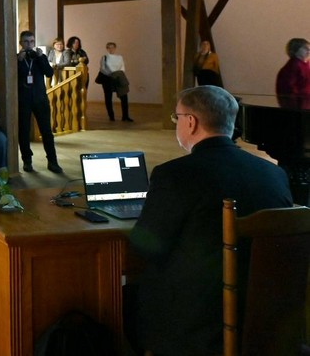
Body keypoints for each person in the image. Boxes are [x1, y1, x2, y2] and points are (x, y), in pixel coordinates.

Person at [127, 86, 292, 356]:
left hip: (200, 325)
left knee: (125, 299)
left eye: (177, 117)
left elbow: (146, 247)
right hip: (267, 316)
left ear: (191, 122)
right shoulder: (273, 173)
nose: (177, 123)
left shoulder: (175, 175)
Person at [17, 31, 63, 174]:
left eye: (31, 41)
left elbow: (49, 73)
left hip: (40, 99)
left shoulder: (40, 57)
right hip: (23, 100)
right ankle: (27, 161)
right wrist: (18, 61)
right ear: (21, 43)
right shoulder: (17, 59)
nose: (29, 44)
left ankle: (52, 161)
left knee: (46, 131)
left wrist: (41, 58)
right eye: (26, 42)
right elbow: (12, 76)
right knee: (23, 131)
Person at [98, 42, 133, 122]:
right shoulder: (104, 57)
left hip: (118, 78)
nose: (111, 49)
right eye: (109, 47)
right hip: (108, 79)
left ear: (115, 48)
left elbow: (122, 67)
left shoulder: (119, 57)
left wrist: (117, 74)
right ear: (107, 49)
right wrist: (111, 74)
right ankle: (111, 116)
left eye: (112, 47)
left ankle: (125, 116)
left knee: (124, 96)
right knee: (108, 97)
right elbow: (102, 69)